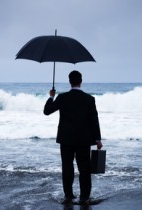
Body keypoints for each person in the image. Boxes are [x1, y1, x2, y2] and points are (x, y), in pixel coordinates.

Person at [43, 70, 103, 204]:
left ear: (69, 81)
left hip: (66, 139)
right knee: (84, 169)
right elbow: (94, 119)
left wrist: (51, 96)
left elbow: (47, 111)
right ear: (81, 81)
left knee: (67, 167)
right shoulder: (89, 99)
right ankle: (84, 197)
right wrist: (98, 139)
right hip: (83, 140)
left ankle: (68, 196)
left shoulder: (62, 97)